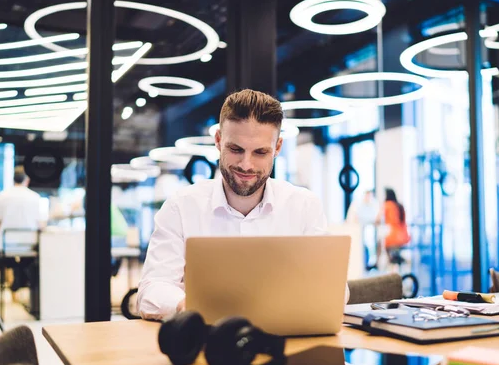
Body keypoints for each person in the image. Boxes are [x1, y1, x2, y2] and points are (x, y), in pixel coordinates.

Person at [137, 89, 348, 320]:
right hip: (209, 341)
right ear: (218, 141)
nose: (246, 165)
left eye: (260, 152)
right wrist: (186, 305)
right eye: (236, 149)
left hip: (288, 342)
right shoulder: (181, 207)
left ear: (277, 148)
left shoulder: (304, 206)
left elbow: (336, 290)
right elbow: (151, 290)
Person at [0, 166, 45, 297]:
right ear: (27, 180)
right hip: (30, 250)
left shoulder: (1, 196)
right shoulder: (35, 197)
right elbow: (40, 224)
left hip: (6, 249)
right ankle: (26, 296)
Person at [379, 188, 410, 265]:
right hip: (404, 236)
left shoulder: (387, 205)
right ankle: (396, 259)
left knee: (380, 243)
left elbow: (378, 218)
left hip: (393, 237)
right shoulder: (400, 205)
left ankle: (381, 263)